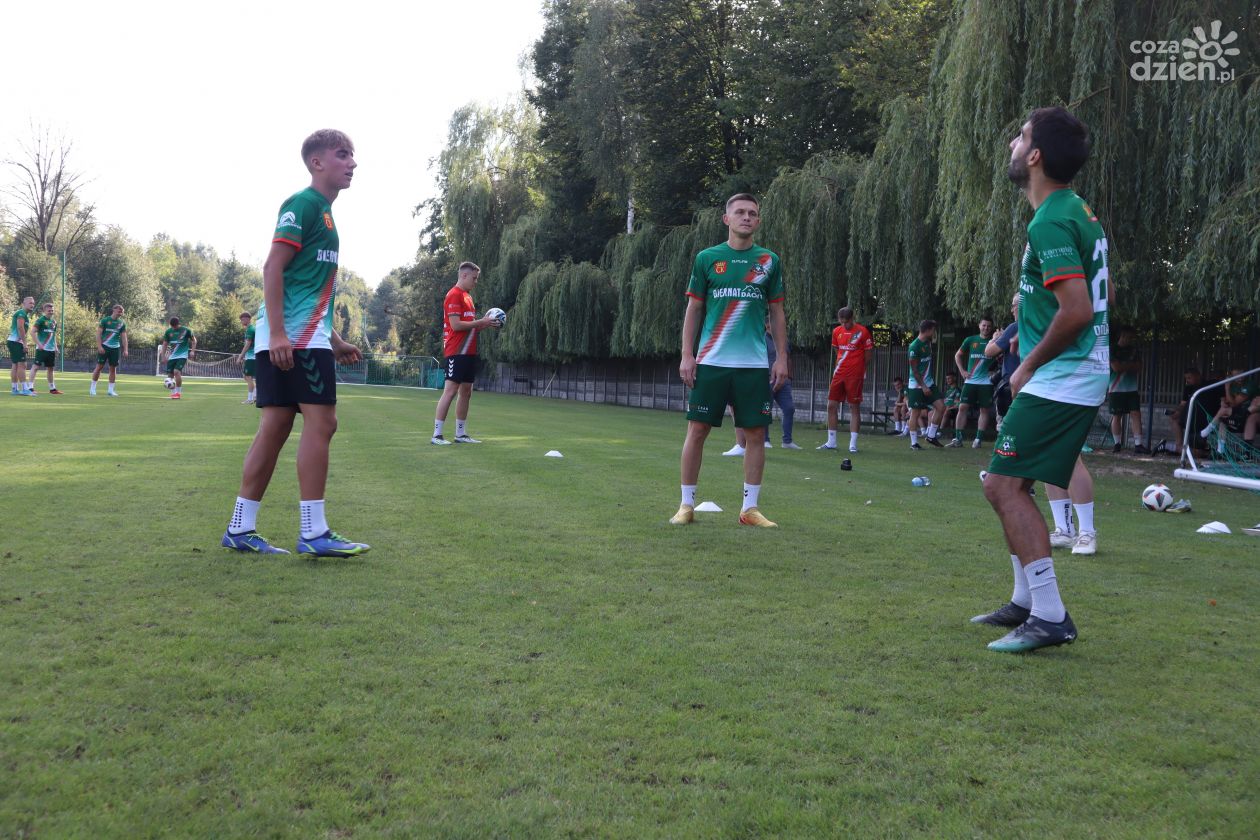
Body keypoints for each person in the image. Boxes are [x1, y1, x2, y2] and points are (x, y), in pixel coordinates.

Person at [974, 106, 1109, 652]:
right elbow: (1095, 297)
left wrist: (1027, 365)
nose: (1012, 142)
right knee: (1013, 484)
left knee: (1001, 485)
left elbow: (1076, 310)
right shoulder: (1075, 210)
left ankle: (1050, 615)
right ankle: (1025, 600)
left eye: (1021, 136)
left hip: (1063, 376)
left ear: (1034, 156)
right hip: (1072, 371)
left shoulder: (1050, 219)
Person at [221, 129, 368, 557]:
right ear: (316, 162)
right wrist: (282, 334)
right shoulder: (303, 204)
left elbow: (309, 288)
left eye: (353, 155)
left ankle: (240, 528)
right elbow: (273, 268)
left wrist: (334, 340)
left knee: (276, 427)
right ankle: (314, 532)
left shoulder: (325, 213)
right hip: (294, 340)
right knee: (322, 423)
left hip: (300, 337)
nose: (352, 163)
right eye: (342, 154)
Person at [672, 193, 787, 528]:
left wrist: (782, 358)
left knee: (755, 433)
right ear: (727, 219)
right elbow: (694, 308)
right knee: (697, 430)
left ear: (758, 221)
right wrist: (687, 354)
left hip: (753, 364)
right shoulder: (708, 258)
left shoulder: (768, 260)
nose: (746, 217)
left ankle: (749, 509)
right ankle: (686, 505)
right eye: (740, 212)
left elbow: (777, 312)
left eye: (752, 213)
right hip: (711, 361)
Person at [431, 262, 500, 445]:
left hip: (468, 351)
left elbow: (470, 327)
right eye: (474, 278)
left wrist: (485, 324)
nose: (476, 282)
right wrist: (480, 322)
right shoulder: (454, 295)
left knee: (466, 392)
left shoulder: (468, 297)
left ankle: (460, 434)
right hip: (456, 351)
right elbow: (456, 326)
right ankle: (437, 435)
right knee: (450, 391)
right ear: (464, 275)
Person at [725, 323, 798, 454]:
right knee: (765, 410)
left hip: (783, 381)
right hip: (767, 380)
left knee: (789, 408)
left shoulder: (783, 341)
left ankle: (787, 441)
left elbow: (788, 358)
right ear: (767, 325)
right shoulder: (761, 340)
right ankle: (765, 439)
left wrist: (789, 376)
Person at [819, 307, 873, 453]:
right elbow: (838, 350)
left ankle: (853, 444)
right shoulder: (836, 331)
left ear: (852, 318)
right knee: (831, 405)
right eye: (841, 322)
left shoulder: (862, 331)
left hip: (855, 374)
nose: (844, 325)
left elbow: (868, 354)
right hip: (839, 373)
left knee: (853, 406)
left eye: (847, 322)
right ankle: (831, 442)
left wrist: (860, 368)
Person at [951, 317, 997, 448]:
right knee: (962, 407)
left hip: (987, 383)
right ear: (979, 326)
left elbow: (1003, 357)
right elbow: (957, 355)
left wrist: (995, 371)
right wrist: (962, 371)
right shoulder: (970, 340)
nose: (986, 328)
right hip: (970, 381)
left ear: (991, 328)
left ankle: (978, 440)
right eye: (984, 325)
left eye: (989, 326)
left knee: (984, 410)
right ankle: (958, 438)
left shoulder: (995, 342)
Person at [1108, 326, 1148, 453]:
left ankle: (1138, 445)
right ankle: (1117, 444)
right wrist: (1130, 365)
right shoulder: (1112, 349)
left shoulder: (1134, 350)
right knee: (1117, 415)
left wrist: (1124, 365)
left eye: (1132, 338)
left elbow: (1139, 367)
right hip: (1116, 388)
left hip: (1132, 388)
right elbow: (1116, 368)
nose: (1130, 340)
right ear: (1122, 335)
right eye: (1129, 337)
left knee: (1136, 414)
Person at [906, 319, 944, 449]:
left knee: (941, 407)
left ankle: (931, 436)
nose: (934, 333)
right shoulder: (914, 346)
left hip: (929, 383)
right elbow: (915, 371)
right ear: (927, 330)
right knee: (915, 413)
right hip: (917, 385)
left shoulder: (927, 343)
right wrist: (923, 386)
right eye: (933, 330)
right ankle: (914, 443)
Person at [90, 304, 128, 396]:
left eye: (122, 311)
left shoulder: (122, 323)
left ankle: (110, 391)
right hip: (104, 347)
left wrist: (125, 349)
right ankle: (92, 389)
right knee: (99, 367)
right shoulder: (105, 320)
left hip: (115, 348)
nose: (120, 313)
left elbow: (124, 337)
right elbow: (98, 334)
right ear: (114, 310)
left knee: (113, 368)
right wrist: (99, 347)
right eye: (119, 310)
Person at [27, 302, 61, 394]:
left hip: (51, 350)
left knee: (50, 369)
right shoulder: (40, 320)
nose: (51, 312)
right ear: (44, 311)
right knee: (35, 367)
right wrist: (39, 344)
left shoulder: (54, 322)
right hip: (42, 349)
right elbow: (32, 332)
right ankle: (30, 388)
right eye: (49, 310)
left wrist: (56, 347)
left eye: (52, 310)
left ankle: (52, 389)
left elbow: (53, 335)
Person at [160, 317, 197, 400]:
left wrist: (192, 351)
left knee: (176, 372)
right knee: (170, 375)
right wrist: (163, 356)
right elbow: (165, 344)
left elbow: (194, 340)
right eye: (172, 326)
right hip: (171, 356)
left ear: (178, 324)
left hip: (182, 355)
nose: (174, 328)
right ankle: (173, 394)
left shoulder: (186, 330)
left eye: (175, 326)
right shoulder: (168, 331)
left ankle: (178, 393)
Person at [7, 296, 35, 396]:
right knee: (22, 365)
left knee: (15, 365)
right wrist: (25, 343)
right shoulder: (21, 313)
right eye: (30, 303)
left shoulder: (24, 315)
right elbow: (20, 327)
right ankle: (24, 389)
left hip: (13, 342)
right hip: (16, 342)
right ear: (24, 304)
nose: (32, 305)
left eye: (33, 303)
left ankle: (14, 389)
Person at [235, 312, 257, 404]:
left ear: (248, 319)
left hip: (252, 356)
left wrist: (240, 356)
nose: (241, 321)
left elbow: (247, 345)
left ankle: (250, 398)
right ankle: (255, 395)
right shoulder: (250, 329)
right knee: (246, 376)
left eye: (242, 319)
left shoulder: (250, 329)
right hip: (251, 356)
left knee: (248, 376)